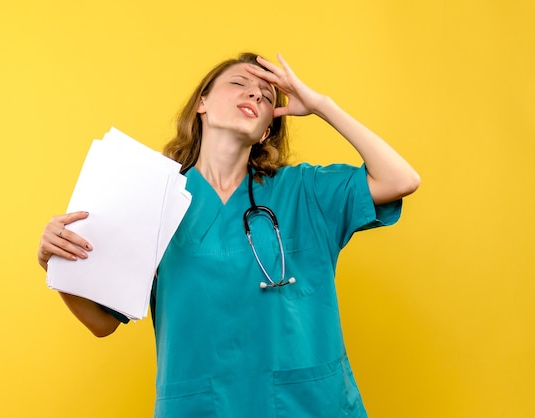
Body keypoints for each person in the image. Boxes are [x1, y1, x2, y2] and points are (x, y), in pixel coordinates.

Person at [37, 52, 420, 417]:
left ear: (267, 128)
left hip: (306, 404)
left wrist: (322, 105)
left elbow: (401, 179)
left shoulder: (305, 191)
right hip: (202, 406)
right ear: (202, 102)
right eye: (239, 83)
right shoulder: (152, 199)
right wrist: (57, 263)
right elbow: (102, 323)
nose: (254, 93)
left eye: (267, 95)